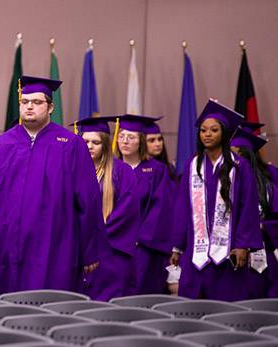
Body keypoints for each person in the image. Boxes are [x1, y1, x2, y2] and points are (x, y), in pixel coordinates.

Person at [0, 75, 107, 298]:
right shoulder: (0, 145)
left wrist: (90, 250)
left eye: (37, 102)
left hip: (55, 245)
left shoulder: (71, 145)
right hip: (5, 246)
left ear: (50, 107)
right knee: (5, 306)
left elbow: (88, 200)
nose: (29, 106)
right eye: (25, 101)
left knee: (50, 304)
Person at [170, 100, 262, 300]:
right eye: (203, 130)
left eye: (213, 130)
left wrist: (243, 245)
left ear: (224, 133)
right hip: (196, 253)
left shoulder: (239, 166)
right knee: (192, 306)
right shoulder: (192, 166)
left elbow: (248, 208)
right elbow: (182, 207)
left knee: (227, 305)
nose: (207, 134)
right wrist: (177, 246)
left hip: (228, 255)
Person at [77, 116, 139, 301]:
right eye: (85, 141)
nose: (89, 146)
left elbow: (127, 209)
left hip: (111, 251)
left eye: (95, 142)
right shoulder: (72, 170)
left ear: (105, 143)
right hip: (79, 250)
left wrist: (99, 236)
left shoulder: (122, 171)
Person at [114, 114, 173, 294]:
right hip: (113, 244)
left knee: (141, 290)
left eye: (130, 137)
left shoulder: (156, 171)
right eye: (121, 136)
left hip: (143, 246)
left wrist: (140, 238)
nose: (124, 141)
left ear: (140, 141)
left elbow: (161, 208)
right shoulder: (110, 169)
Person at [230, 126, 277, 298]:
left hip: (263, 255)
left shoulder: (267, 186)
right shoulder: (223, 183)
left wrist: (263, 227)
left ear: (244, 155)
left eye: (234, 153)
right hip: (232, 253)